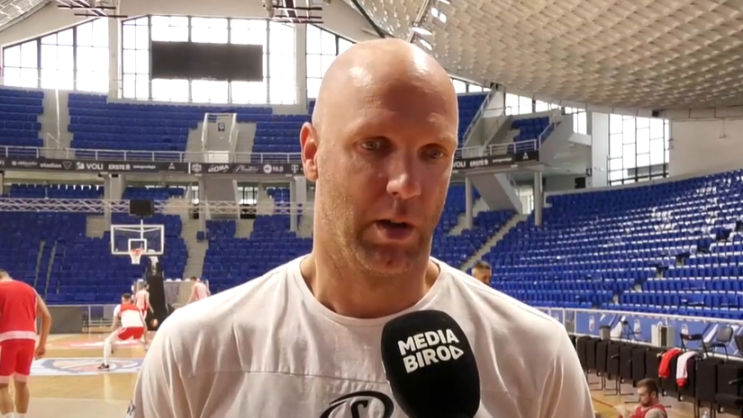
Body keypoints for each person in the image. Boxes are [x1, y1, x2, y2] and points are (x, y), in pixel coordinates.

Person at [130, 39, 593, 418]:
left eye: (433, 153)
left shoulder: (537, 357)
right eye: (374, 145)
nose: (406, 184)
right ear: (312, 154)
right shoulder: (194, 352)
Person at [0, 269, 52, 418]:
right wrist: (42, 344)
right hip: (29, 339)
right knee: (21, 383)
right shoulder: (30, 289)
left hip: (6, 338)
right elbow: (47, 316)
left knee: (2, 385)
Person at [98, 293, 147, 371]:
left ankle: (106, 364)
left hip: (128, 328)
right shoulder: (137, 308)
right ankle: (149, 355)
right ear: (131, 300)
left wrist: (111, 331)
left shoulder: (119, 307)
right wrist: (145, 338)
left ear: (122, 299)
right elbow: (144, 325)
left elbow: (115, 323)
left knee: (108, 341)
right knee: (143, 343)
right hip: (140, 328)